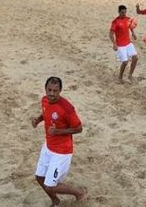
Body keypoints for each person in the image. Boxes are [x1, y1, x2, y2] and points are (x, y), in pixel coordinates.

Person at [31, 77, 85, 206]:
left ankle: (78, 192)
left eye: (55, 91)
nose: (51, 94)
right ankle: (55, 200)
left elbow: (79, 128)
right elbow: (46, 113)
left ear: (60, 91)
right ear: (45, 89)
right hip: (48, 146)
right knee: (39, 178)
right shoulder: (44, 100)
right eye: (49, 90)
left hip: (62, 152)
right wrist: (38, 120)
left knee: (50, 186)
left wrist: (58, 132)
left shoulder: (66, 108)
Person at [110, 5, 138, 83]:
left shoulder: (128, 19)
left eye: (125, 12)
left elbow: (130, 26)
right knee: (125, 62)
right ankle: (120, 78)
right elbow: (111, 33)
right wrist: (114, 44)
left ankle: (130, 75)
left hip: (128, 43)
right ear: (119, 12)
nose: (124, 14)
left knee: (135, 58)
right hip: (120, 45)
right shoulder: (115, 22)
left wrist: (133, 33)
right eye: (122, 12)